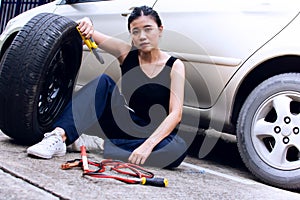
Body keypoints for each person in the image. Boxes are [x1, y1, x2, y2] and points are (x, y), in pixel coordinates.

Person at [27, 5, 187, 168]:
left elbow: (176, 114)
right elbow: (84, 31)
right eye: (136, 31)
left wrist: (148, 145)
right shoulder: (125, 52)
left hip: (156, 134)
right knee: (103, 82)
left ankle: (98, 145)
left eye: (148, 29)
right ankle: (58, 137)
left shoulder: (175, 65)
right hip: (125, 123)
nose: (142, 36)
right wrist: (86, 21)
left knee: (177, 149)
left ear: (160, 30)